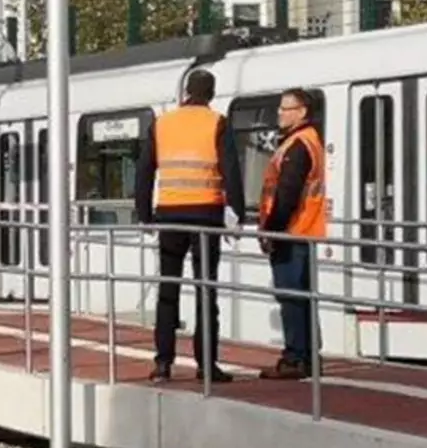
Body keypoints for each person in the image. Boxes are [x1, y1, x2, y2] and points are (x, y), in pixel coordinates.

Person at [135, 68, 245, 383]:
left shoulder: (163, 123)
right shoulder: (217, 122)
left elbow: (145, 171)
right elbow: (231, 172)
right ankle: (206, 365)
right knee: (205, 290)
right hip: (206, 218)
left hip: (169, 215)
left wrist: (144, 214)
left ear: (186, 91)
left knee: (168, 289)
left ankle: (163, 363)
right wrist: (236, 214)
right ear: (210, 93)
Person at [257, 88, 327, 379]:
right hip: (305, 230)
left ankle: (295, 357)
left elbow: (286, 194)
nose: (279, 114)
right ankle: (308, 356)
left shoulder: (297, 146)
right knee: (303, 296)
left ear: (301, 112)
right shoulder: (309, 142)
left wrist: (271, 231)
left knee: (291, 296)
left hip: (292, 232)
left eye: (285, 109)